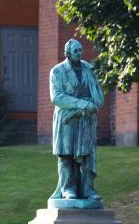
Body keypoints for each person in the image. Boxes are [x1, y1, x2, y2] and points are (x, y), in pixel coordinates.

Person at [49, 39, 104, 200]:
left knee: (87, 155)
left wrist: (92, 104)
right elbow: (57, 97)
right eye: (76, 51)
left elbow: (96, 92)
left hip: (85, 119)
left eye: (81, 50)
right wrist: (82, 104)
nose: (80, 53)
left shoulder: (88, 68)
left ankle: (88, 188)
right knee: (66, 154)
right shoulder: (57, 71)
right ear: (67, 53)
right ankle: (68, 189)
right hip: (66, 119)